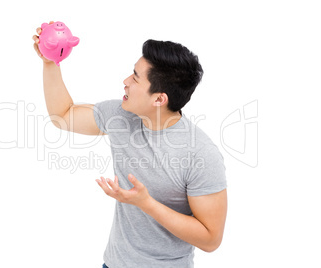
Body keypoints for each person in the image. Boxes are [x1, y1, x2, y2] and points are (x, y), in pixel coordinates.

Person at [33, 21, 227, 268]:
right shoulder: (122, 116)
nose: (125, 81)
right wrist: (50, 62)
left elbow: (211, 239)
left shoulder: (201, 154)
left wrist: (146, 204)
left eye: (136, 78)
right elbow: (63, 116)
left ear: (159, 98)